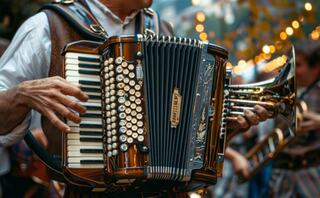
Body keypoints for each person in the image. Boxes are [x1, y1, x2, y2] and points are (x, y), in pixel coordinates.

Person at [0, 0, 271, 196]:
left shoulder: (163, 29)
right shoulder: (48, 27)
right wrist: (22, 94)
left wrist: (223, 130)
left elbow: (183, 140)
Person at [268, 42, 320, 197]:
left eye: (298, 65)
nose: (291, 70)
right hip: (282, 174)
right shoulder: (280, 91)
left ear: (316, 67)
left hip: (313, 174)